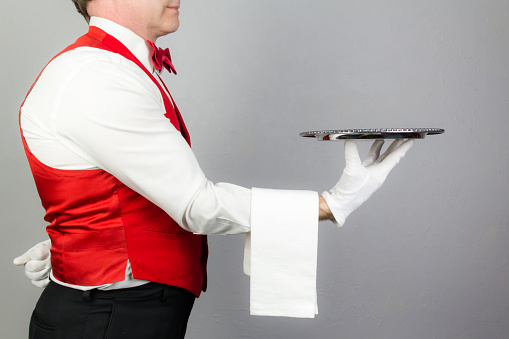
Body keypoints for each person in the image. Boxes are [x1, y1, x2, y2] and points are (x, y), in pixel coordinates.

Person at [13, 0, 414, 338]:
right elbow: (196, 205)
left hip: (118, 310)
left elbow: (111, 182)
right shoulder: (95, 75)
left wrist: (80, 239)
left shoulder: (110, 68)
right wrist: (329, 205)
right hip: (110, 317)